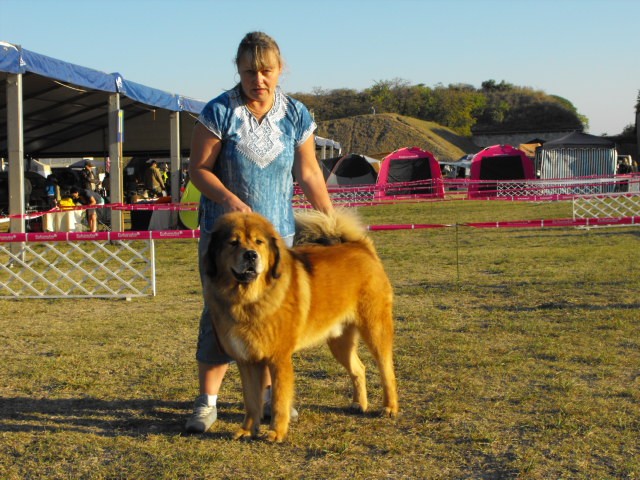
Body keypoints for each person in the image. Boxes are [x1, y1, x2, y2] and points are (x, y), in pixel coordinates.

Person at [185, 31, 333, 433]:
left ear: (281, 69)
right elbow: (198, 170)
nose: (258, 79)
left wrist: (329, 217)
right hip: (227, 239)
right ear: (238, 70)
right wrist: (229, 199)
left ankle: (269, 399)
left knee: (271, 319)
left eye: (266, 70)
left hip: (277, 239)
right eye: (250, 71)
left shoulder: (296, 114)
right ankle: (207, 402)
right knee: (219, 314)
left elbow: (308, 172)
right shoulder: (219, 111)